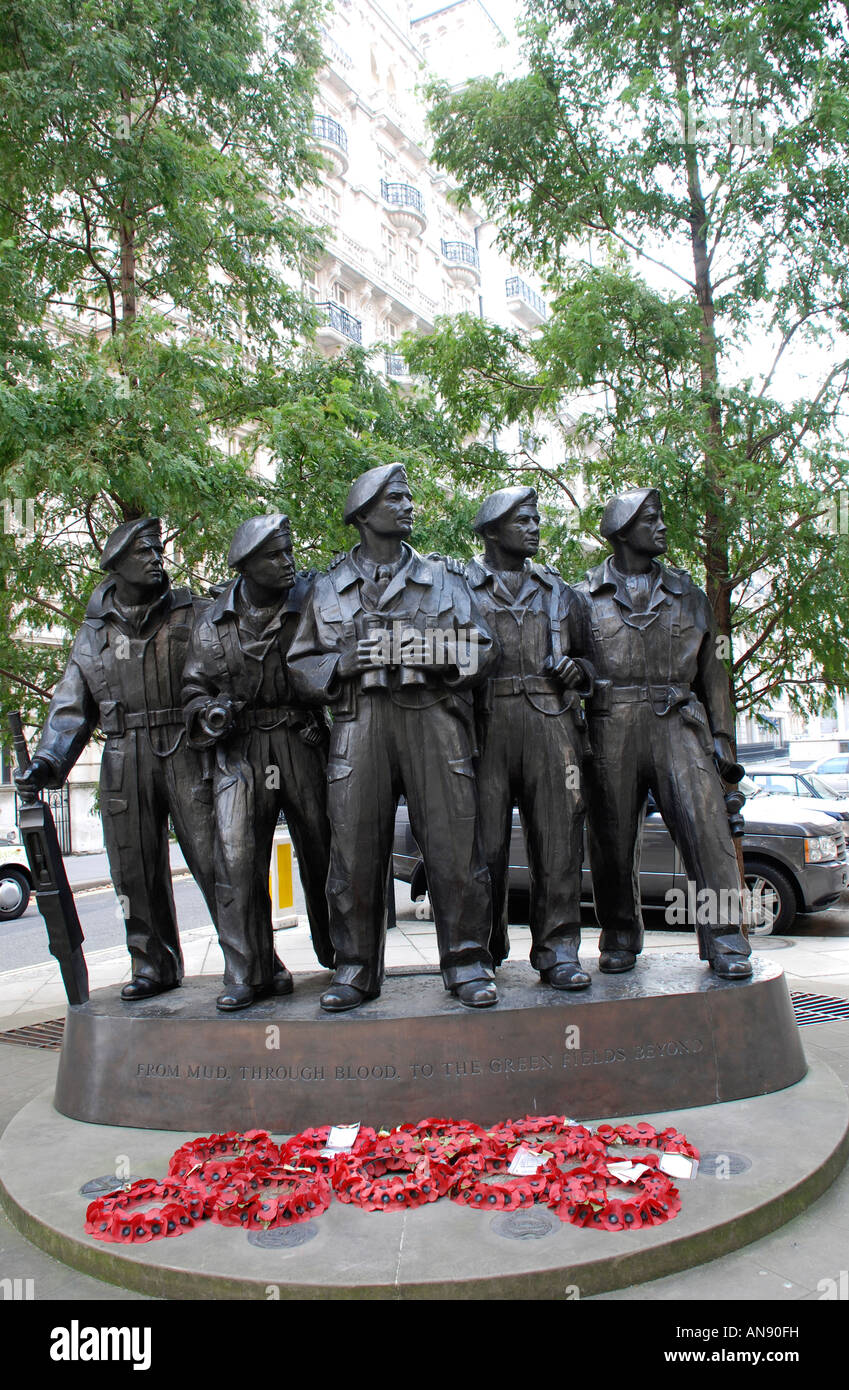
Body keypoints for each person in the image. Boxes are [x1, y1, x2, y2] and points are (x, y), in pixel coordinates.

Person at [288, 463, 499, 1011]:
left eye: (408, 498)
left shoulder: (445, 579)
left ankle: (467, 960)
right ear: (364, 514)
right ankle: (355, 967)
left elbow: (482, 651)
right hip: (360, 726)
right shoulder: (328, 588)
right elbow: (300, 666)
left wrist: (430, 653)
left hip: (434, 722)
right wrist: (341, 663)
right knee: (354, 850)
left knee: (455, 847)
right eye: (396, 499)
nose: (409, 506)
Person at [14, 518, 220, 999]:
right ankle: (152, 964)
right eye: (145, 552)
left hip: (185, 747)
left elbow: (223, 670)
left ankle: (247, 958)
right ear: (118, 565)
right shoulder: (93, 635)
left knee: (217, 858)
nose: (156, 559)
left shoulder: (193, 612)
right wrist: (47, 760)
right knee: (133, 869)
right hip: (124, 756)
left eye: (157, 550)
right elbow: (71, 706)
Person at [571, 488, 752, 979]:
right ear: (624, 530)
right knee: (610, 840)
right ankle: (620, 936)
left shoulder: (688, 593)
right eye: (652, 518)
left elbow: (715, 671)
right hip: (612, 725)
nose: (663, 526)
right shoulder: (582, 597)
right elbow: (568, 670)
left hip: (679, 722)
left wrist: (721, 737)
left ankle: (725, 937)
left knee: (707, 830)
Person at [182, 514, 333, 1011]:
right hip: (241, 750)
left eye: (290, 551)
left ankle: (344, 955)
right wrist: (208, 712)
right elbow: (193, 689)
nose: (289, 562)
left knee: (326, 849)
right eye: (276, 555)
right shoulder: (212, 622)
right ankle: (250, 970)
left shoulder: (311, 599)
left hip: (300, 739)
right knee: (237, 859)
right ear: (246, 566)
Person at [468, 486, 594, 988]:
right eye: (524, 519)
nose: (535, 527)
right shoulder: (462, 588)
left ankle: (559, 949)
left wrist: (575, 671)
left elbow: (592, 667)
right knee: (484, 847)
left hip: (552, 725)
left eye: (537, 518)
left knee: (559, 842)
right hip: (487, 724)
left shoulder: (559, 591)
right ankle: (482, 950)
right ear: (493, 530)